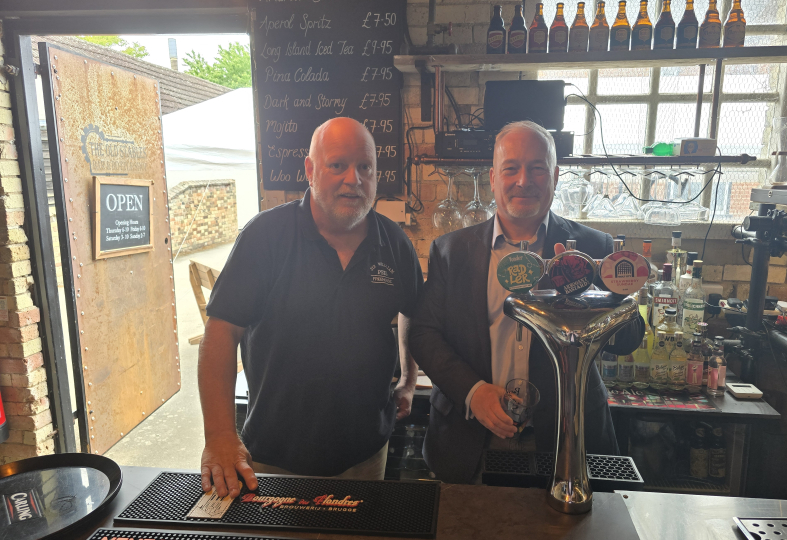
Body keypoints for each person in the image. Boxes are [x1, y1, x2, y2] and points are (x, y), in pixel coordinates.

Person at [198, 117, 423, 497]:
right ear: (310, 169)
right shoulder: (265, 236)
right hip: (273, 456)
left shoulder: (394, 242)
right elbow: (221, 332)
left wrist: (409, 381)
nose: (353, 179)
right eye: (338, 165)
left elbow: (412, 311)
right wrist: (219, 435)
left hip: (366, 453)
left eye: (365, 167)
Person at [409, 120, 643, 484]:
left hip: (567, 440)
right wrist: (473, 392)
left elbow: (629, 339)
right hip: (470, 442)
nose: (524, 180)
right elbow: (423, 334)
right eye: (511, 169)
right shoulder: (451, 250)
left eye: (537, 168)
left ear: (555, 176)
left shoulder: (593, 247)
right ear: (492, 178)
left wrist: (590, 297)